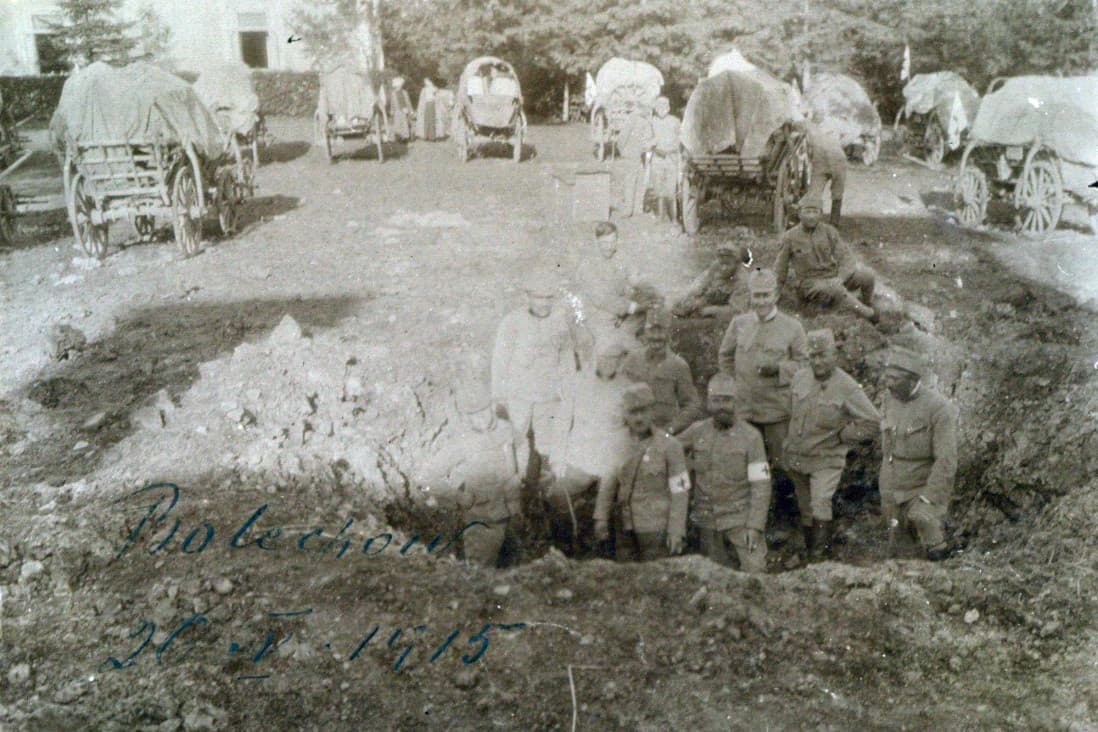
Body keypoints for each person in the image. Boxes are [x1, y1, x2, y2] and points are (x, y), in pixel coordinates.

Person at [783, 329, 881, 560]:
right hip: (799, 456)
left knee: (820, 503)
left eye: (822, 355)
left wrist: (843, 436)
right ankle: (808, 556)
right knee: (805, 507)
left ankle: (819, 558)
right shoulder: (799, 378)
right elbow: (791, 411)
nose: (817, 361)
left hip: (826, 459)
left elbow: (872, 422)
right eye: (813, 356)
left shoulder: (847, 387)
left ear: (834, 355)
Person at [491, 273, 590, 474]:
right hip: (518, 395)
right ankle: (518, 486)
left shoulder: (559, 321)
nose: (543, 303)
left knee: (546, 445)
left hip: (548, 395)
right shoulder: (512, 322)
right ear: (527, 297)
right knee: (518, 442)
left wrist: (567, 386)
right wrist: (499, 396)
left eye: (548, 298)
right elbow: (499, 360)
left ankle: (542, 492)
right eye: (538, 297)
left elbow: (566, 357)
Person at [717, 267, 807, 487]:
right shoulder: (739, 324)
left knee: (782, 464)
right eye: (757, 295)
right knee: (747, 462)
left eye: (766, 295)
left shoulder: (792, 327)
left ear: (775, 295)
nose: (761, 301)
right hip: (745, 410)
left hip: (776, 410)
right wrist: (734, 386)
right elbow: (725, 356)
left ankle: (784, 512)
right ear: (750, 296)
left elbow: (805, 365)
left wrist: (779, 369)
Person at [422, 377, 523, 567]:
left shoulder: (506, 429)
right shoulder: (461, 441)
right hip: (482, 521)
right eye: (474, 414)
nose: (481, 418)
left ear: (492, 407)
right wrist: (459, 497)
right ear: (466, 417)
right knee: (480, 574)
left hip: (512, 517)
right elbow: (428, 477)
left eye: (484, 410)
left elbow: (517, 464)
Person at [677, 373, 771, 573]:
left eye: (727, 400)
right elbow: (668, 448)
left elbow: (761, 486)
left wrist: (755, 526)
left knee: (756, 571)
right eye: (716, 400)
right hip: (707, 519)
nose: (721, 406)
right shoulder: (697, 431)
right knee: (712, 576)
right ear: (708, 402)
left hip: (740, 519)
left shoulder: (751, 437)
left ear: (736, 402)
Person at [593, 383, 690, 561]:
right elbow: (607, 484)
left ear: (652, 411)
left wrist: (676, 530)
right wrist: (601, 518)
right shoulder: (616, 443)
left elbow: (680, 493)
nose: (639, 418)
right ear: (625, 414)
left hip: (656, 530)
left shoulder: (670, 445)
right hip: (624, 526)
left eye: (643, 411)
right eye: (633, 412)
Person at [879, 345, 959, 561]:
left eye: (895, 379)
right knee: (900, 559)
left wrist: (929, 498)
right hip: (892, 493)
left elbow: (946, 460)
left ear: (913, 379)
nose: (888, 384)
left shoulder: (939, 408)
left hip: (920, 492)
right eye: (887, 377)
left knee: (933, 547)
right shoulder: (889, 399)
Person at [773, 192, 877, 321]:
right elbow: (780, 269)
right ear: (799, 214)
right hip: (809, 285)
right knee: (836, 290)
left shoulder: (829, 232)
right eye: (807, 212)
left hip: (832, 277)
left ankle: (868, 304)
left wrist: (840, 277)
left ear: (821, 214)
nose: (811, 216)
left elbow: (846, 257)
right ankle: (870, 316)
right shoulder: (790, 237)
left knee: (867, 275)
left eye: (815, 212)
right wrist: (773, 297)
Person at [568, 222, 661, 354]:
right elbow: (604, 300)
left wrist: (647, 291)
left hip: (619, 312)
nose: (609, 247)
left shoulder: (618, 256)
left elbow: (634, 277)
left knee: (647, 300)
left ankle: (636, 336)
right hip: (598, 316)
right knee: (616, 351)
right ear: (596, 241)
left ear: (617, 240)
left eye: (612, 242)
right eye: (604, 243)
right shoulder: (588, 266)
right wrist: (635, 307)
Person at [621, 308, 702, 435]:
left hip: (661, 432)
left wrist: (670, 430)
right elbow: (617, 396)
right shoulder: (632, 359)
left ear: (669, 333)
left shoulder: (678, 365)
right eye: (652, 330)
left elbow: (692, 405)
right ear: (645, 332)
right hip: (632, 433)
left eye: (661, 331)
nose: (656, 337)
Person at [672, 229, 753, 318]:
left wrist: (709, 310)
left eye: (728, 264)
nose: (723, 268)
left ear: (737, 263)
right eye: (721, 262)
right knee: (678, 305)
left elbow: (737, 310)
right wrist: (689, 300)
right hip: (707, 303)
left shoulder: (742, 281)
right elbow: (700, 286)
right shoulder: (715, 267)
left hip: (720, 314)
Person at [803, 119, 847, 227]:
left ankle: (813, 221)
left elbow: (808, 151)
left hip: (825, 159)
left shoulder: (809, 129)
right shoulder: (833, 125)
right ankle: (833, 222)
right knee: (836, 191)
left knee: (816, 192)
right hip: (834, 158)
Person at [615, 107, 655, 217]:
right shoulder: (641, 120)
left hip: (634, 155)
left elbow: (622, 138)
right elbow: (623, 138)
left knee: (632, 181)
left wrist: (622, 150)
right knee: (637, 181)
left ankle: (632, 209)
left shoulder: (633, 119)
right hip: (636, 155)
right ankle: (635, 208)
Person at [649, 96, 681, 222]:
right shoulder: (652, 121)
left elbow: (680, 139)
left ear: (668, 108)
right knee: (658, 190)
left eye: (664, 106)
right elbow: (646, 138)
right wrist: (653, 146)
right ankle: (660, 217)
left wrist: (673, 148)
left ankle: (673, 218)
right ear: (656, 108)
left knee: (671, 191)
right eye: (659, 106)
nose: (661, 109)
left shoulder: (675, 121)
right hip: (657, 159)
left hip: (671, 159)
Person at [389, 76, 414, 142]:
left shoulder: (404, 92)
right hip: (397, 110)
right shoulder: (393, 93)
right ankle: (398, 137)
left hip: (404, 110)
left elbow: (408, 101)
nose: (399, 86)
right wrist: (392, 111)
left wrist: (410, 110)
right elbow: (392, 103)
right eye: (398, 85)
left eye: (400, 85)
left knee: (405, 124)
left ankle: (405, 137)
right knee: (397, 124)